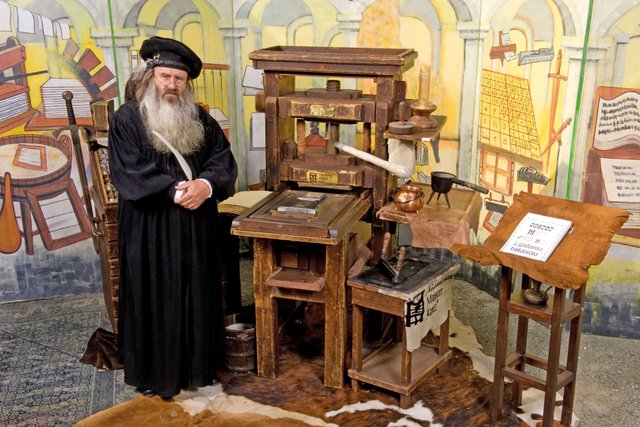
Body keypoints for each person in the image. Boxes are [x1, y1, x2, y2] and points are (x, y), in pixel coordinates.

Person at [108, 36, 238, 399]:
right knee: (154, 296)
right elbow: (129, 170)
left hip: (195, 225)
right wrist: (176, 190)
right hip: (150, 227)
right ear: (151, 77)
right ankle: (154, 373)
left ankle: (198, 368)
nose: (172, 85)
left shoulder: (201, 119)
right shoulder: (127, 120)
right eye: (165, 76)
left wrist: (207, 186)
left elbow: (223, 161)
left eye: (179, 79)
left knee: (195, 293)